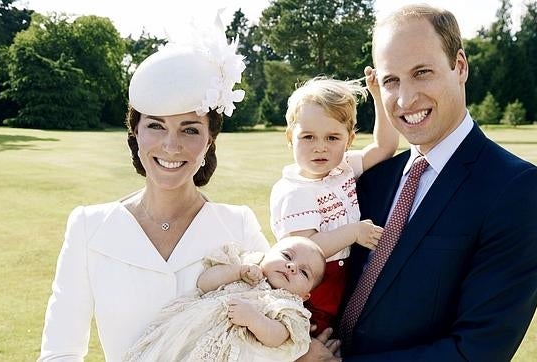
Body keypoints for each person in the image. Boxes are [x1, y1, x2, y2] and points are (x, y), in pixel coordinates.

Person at [301, 4, 537, 361]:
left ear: (460, 66)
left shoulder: (516, 189)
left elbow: (478, 350)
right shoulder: (374, 178)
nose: (405, 99)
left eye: (422, 72)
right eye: (391, 80)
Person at [38, 15, 271, 362]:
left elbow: (272, 334)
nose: (170, 146)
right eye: (156, 127)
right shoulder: (88, 227)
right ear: (135, 133)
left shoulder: (238, 225)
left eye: (190, 130)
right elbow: (60, 352)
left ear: (210, 140)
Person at [269, 76, 399, 334]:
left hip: (344, 276)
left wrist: (379, 98)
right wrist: (354, 232)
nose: (320, 148)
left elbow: (385, 147)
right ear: (289, 137)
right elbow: (306, 249)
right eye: (308, 137)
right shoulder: (293, 191)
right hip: (311, 286)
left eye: (332, 138)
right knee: (315, 340)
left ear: (349, 140)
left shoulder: (344, 167)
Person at [124, 236, 326, 361]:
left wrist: (253, 319)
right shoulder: (245, 263)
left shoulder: (289, 306)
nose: (291, 267)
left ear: (304, 295)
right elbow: (204, 283)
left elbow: (278, 336)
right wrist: (237, 271)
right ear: (268, 252)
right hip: (190, 333)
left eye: (304, 272)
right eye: (287, 256)